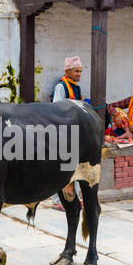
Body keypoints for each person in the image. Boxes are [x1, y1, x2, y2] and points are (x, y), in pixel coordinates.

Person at [51, 56, 83, 211]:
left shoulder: (76, 87)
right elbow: (57, 109)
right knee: (62, 168)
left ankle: (73, 197)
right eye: (76, 71)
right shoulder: (61, 86)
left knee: (74, 168)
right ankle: (57, 200)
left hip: (74, 131)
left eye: (80, 71)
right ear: (67, 71)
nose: (79, 74)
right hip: (63, 132)